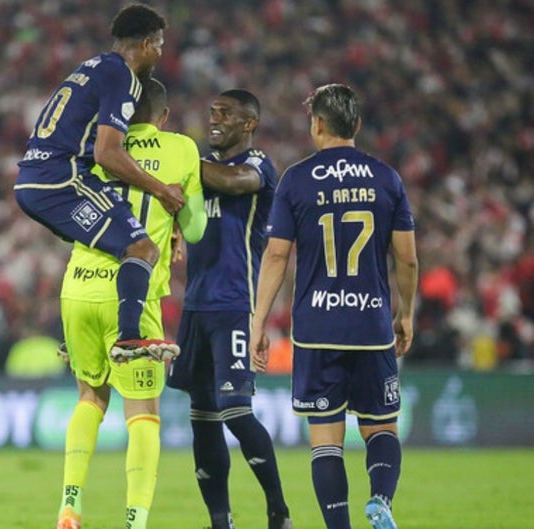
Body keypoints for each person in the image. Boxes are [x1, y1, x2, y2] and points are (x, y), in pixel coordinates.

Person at [249, 84, 418, 529]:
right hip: (372, 324)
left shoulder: (297, 179)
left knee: (326, 440)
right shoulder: (386, 178)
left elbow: (276, 256)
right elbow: (407, 258)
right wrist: (406, 313)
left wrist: (258, 322)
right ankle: (380, 500)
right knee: (381, 427)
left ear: (318, 124)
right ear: (356, 124)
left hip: (316, 327)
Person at [56, 77, 207, 529]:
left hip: (78, 287)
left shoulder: (97, 147)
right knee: (143, 414)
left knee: (90, 397)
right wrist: (175, 222)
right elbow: (196, 228)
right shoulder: (180, 148)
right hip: (133, 296)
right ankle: (135, 522)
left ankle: (69, 505)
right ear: (164, 116)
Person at [15, 3, 185, 364]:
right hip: (62, 178)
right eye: (159, 45)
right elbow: (108, 153)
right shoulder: (122, 76)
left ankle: (80, 333)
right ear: (146, 44)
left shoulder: (90, 67)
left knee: (105, 246)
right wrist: (162, 190)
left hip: (34, 178)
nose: (160, 54)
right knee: (141, 249)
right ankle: (129, 337)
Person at [167, 89, 292, 529]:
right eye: (212, 112)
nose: (214, 119)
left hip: (235, 304)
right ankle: (220, 522)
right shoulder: (199, 168)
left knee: (236, 411)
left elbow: (236, 182)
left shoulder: (258, 165)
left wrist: (178, 159)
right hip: (196, 307)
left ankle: (278, 511)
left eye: (225, 113)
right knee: (202, 418)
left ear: (249, 123)